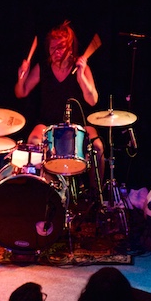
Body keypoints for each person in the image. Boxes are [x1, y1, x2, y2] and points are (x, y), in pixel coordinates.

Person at [14, 20, 103, 187]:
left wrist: (81, 76)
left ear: (70, 48)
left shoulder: (80, 67)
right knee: (33, 141)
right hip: (48, 123)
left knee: (97, 146)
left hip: (78, 125)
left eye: (60, 47)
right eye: (52, 47)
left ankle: (95, 196)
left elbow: (93, 100)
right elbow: (21, 92)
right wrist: (21, 77)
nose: (55, 52)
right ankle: (45, 189)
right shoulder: (43, 68)